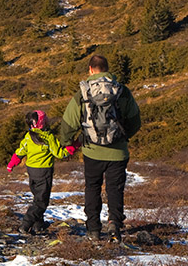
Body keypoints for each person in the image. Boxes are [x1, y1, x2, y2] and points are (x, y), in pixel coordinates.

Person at [56, 54, 141, 244]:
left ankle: (93, 229)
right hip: (118, 152)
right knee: (115, 189)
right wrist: (123, 137)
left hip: (91, 151)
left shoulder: (83, 93)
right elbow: (136, 121)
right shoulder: (122, 91)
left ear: (90, 70)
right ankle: (114, 226)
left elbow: (68, 123)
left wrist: (68, 143)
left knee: (92, 188)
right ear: (107, 69)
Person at [5, 110, 76, 235]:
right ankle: (26, 224)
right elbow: (59, 154)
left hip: (32, 171)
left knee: (37, 198)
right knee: (41, 202)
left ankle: (39, 225)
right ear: (42, 123)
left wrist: (12, 163)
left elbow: (20, 152)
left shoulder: (28, 137)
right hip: (44, 172)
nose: (48, 119)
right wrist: (73, 148)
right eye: (45, 118)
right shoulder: (48, 137)